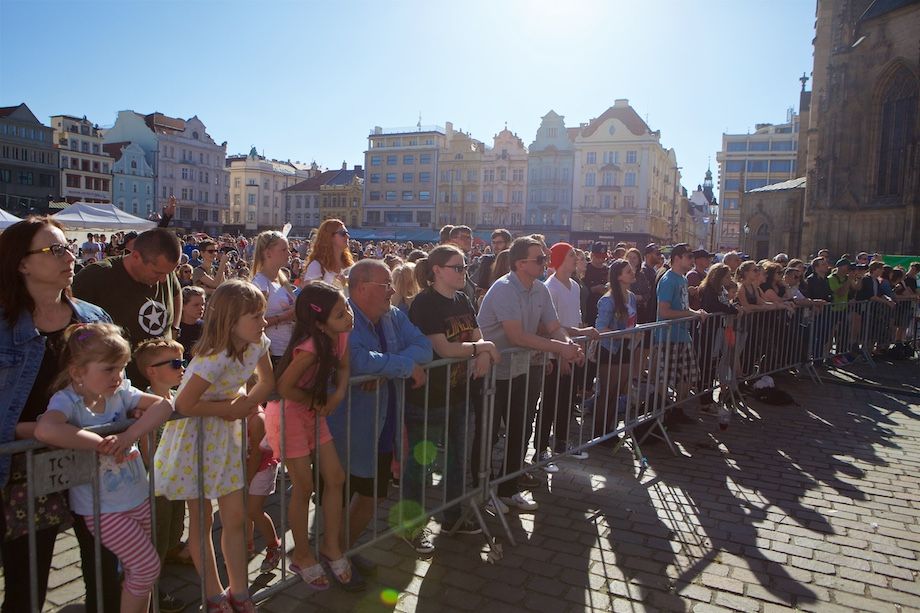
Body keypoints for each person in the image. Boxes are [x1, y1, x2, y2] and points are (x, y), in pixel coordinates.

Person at [0, 217, 121, 613]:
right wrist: (33, 430)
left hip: (91, 459)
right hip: (22, 468)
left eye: (67, 246)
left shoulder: (93, 318)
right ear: (22, 263)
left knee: (106, 572)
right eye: (54, 249)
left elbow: (120, 387)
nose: (69, 255)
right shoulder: (3, 325)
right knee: (25, 584)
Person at [153, 280, 274, 613]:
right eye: (256, 316)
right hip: (195, 437)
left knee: (234, 517)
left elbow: (268, 381)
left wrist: (246, 404)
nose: (264, 322)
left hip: (224, 436)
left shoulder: (257, 343)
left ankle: (240, 590)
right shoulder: (213, 357)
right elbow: (186, 404)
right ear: (231, 319)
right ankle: (212, 591)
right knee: (202, 518)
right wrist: (230, 409)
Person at [35, 323, 173, 613]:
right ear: (77, 372)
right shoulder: (68, 400)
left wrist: (128, 436)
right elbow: (46, 430)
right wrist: (98, 444)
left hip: (138, 497)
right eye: (108, 369)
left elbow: (165, 405)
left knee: (141, 573)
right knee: (147, 568)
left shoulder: (121, 391)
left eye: (121, 367)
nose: (118, 376)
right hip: (104, 509)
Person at [325, 259, 432, 584]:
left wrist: (384, 367)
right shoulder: (342, 318)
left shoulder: (393, 315)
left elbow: (424, 347)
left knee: (375, 493)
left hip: (384, 419)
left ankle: (340, 551)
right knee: (339, 495)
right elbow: (355, 360)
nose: (391, 290)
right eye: (384, 285)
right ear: (360, 288)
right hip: (346, 425)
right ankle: (333, 556)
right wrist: (396, 367)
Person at [402, 246, 499, 552]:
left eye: (465, 267)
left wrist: (482, 347)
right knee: (421, 466)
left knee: (458, 459)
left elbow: (475, 334)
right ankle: (411, 526)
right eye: (457, 267)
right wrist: (481, 349)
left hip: (459, 393)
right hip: (428, 398)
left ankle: (453, 517)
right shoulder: (425, 303)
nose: (463, 272)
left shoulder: (462, 298)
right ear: (437, 271)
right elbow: (444, 349)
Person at [477, 236, 583, 512]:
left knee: (520, 428)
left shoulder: (539, 289)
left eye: (545, 258)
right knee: (487, 434)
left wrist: (567, 343)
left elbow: (553, 325)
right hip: (492, 372)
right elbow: (517, 336)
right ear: (520, 263)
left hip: (522, 369)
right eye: (540, 259)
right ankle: (481, 494)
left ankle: (508, 488)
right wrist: (560, 348)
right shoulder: (504, 289)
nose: (545, 263)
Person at [264, 282, 353, 591]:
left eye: (347, 309)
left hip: (312, 411)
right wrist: (317, 401)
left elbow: (343, 368)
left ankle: (330, 545)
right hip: (288, 414)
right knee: (303, 486)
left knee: (336, 477)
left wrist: (338, 395)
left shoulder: (339, 336)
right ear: (319, 323)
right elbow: (283, 387)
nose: (349, 317)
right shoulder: (310, 348)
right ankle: (301, 553)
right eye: (341, 314)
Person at [72, 228, 183, 389]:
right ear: (136, 256)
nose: (163, 279)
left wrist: (174, 328)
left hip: (162, 383)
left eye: (168, 273)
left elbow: (176, 292)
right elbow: (73, 327)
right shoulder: (97, 276)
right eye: (157, 272)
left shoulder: (165, 271)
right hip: (120, 386)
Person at [133, 338, 191, 613]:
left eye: (183, 362)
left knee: (172, 530)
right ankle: (151, 590)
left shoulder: (177, 397)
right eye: (176, 363)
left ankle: (162, 570)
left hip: (176, 479)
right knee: (156, 535)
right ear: (153, 371)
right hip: (157, 483)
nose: (183, 368)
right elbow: (146, 450)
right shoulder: (146, 405)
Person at [539, 242, 599, 471]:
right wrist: (562, 353)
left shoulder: (574, 286)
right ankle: (541, 449)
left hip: (570, 350)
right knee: (550, 401)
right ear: (561, 259)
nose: (577, 259)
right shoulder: (550, 287)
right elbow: (552, 326)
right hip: (555, 354)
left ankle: (561, 443)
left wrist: (576, 348)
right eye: (572, 255)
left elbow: (575, 320)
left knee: (566, 399)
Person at [655, 244, 706, 425]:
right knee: (665, 378)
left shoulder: (682, 280)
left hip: (683, 335)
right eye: (688, 256)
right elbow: (664, 312)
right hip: (668, 337)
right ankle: (661, 415)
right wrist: (692, 314)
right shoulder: (668, 280)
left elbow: (683, 307)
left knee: (688, 376)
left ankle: (677, 410)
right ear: (677, 258)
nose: (692, 260)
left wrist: (694, 311)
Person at [594, 259, 640, 438]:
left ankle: (609, 429)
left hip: (626, 349)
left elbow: (631, 322)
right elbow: (601, 328)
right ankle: (600, 432)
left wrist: (636, 332)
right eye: (628, 271)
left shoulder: (631, 296)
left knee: (618, 390)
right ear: (619, 277)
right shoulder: (608, 299)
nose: (633, 272)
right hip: (610, 350)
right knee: (608, 392)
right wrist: (626, 335)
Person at [250, 230, 296, 369]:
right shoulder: (260, 283)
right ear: (268, 253)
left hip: (287, 348)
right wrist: (284, 317)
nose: (289, 253)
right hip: (273, 353)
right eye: (283, 250)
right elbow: (253, 323)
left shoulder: (281, 281)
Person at [304, 219, 353, 289]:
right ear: (329, 237)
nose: (347, 236)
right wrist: (337, 285)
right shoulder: (317, 266)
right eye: (343, 233)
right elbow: (311, 296)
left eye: (347, 233)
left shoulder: (350, 265)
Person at [583, 241, 609, 329]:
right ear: (592, 255)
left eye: (603, 257)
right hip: (589, 307)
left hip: (603, 308)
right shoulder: (585, 269)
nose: (601, 260)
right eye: (598, 257)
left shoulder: (607, 270)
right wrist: (593, 289)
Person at [633, 243, 660, 325]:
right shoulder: (643, 271)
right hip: (642, 313)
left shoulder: (653, 270)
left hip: (649, 313)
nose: (659, 256)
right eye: (657, 253)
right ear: (648, 255)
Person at [178, 285, 206, 361]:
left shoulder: (206, 328)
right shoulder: (175, 327)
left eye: (203, 304)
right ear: (183, 306)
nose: (201, 308)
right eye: (196, 305)